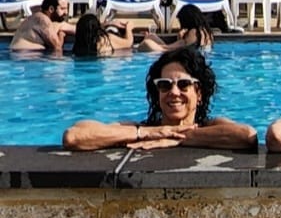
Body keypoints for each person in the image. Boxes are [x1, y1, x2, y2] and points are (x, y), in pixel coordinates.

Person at [62, 47, 257, 150]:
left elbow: (247, 136)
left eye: (183, 84)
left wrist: (178, 136)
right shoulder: (141, 130)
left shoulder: (211, 126)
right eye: (165, 85)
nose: (174, 92)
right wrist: (146, 133)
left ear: (199, 93)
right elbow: (74, 136)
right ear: (157, 93)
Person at [9, 0, 76, 54]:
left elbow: (74, 29)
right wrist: (61, 34)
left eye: (67, 9)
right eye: (62, 9)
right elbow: (57, 47)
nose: (66, 12)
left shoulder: (39, 18)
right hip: (25, 55)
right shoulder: (43, 20)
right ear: (51, 9)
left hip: (22, 55)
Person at [137, 4, 215, 54]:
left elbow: (184, 49)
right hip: (173, 50)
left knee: (146, 43)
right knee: (151, 36)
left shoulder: (194, 32)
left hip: (172, 52)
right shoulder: (206, 32)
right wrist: (181, 38)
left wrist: (181, 39)